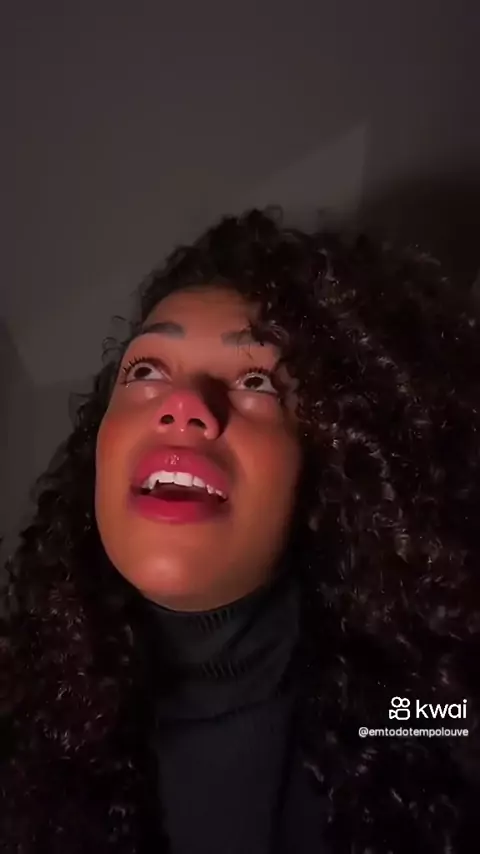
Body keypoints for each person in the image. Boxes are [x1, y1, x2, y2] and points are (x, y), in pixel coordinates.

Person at [1, 208, 479, 854]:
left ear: (328, 468)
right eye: (145, 371)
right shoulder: (23, 728)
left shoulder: (421, 715)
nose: (183, 405)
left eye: (257, 382)